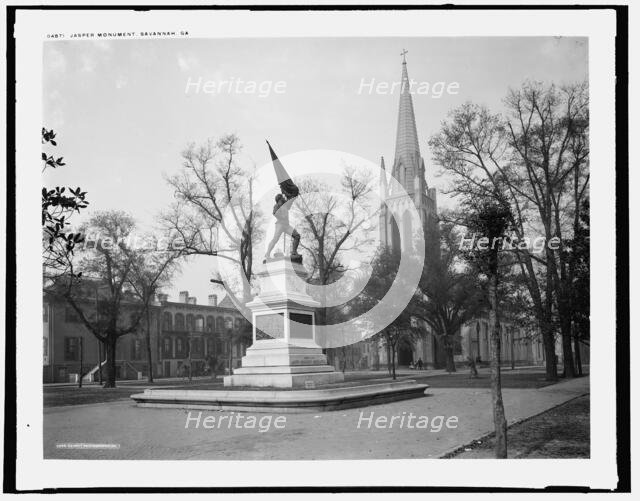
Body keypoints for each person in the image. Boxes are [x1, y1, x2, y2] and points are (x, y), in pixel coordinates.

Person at [264, 193, 301, 261]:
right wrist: (281, 216)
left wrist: (295, 194)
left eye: (282, 199)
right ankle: (267, 253)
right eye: (281, 200)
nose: (282, 200)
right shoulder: (276, 205)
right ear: (278, 201)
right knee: (275, 239)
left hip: (286, 225)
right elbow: (274, 213)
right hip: (280, 224)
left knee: (297, 236)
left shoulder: (286, 204)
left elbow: (291, 200)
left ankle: (294, 252)